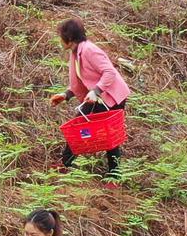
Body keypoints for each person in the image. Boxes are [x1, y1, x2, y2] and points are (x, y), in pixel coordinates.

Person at [51, 18, 130, 178]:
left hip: (112, 97)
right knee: (79, 126)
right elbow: (81, 81)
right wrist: (65, 95)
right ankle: (65, 164)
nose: (60, 40)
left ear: (70, 38)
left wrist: (96, 91)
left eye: (61, 36)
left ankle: (114, 175)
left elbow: (109, 72)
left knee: (110, 135)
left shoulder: (89, 50)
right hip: (96, 96)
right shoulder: (75, 53)